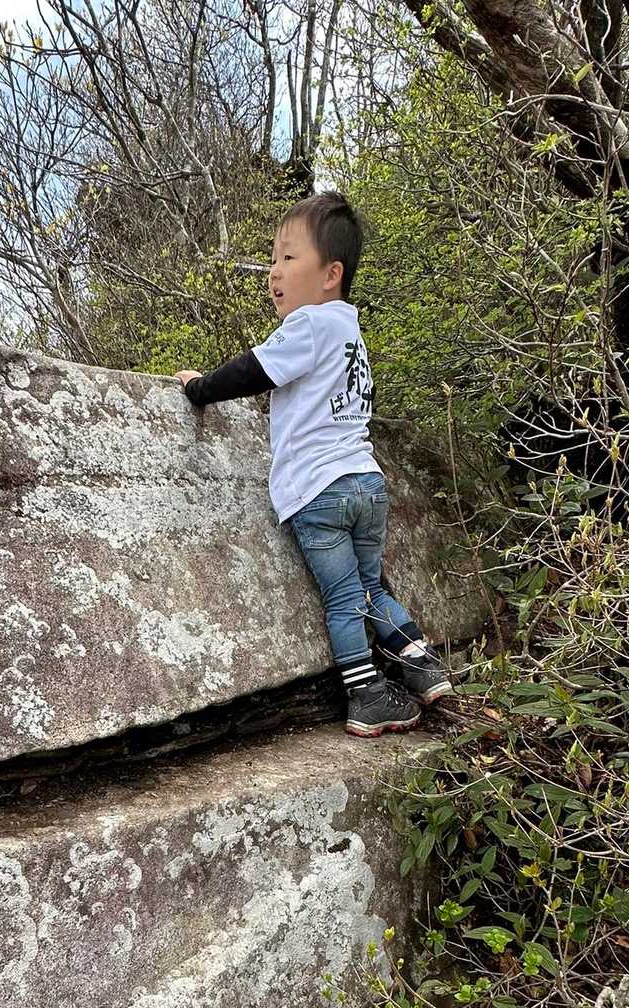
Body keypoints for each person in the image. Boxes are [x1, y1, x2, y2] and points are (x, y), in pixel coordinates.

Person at [174, 190, 452, 737]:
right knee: (372, 587)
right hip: (366, 483)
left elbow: (254, 370)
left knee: (344, 599)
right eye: (273, 259)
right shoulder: (350, 333)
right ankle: (421, 664)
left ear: (331, 275)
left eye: (288, 257)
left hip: (319, 491)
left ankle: (367, 696)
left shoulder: (309, 325)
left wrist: (199, 387)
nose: (274, 272)